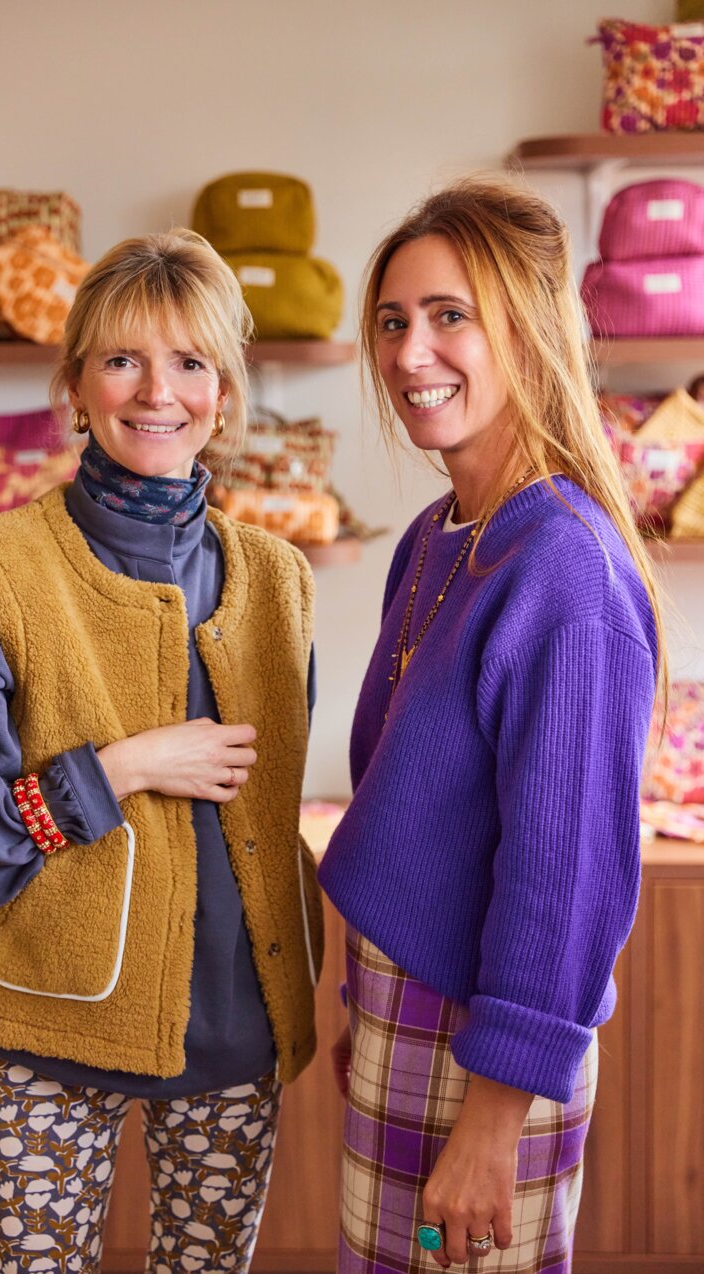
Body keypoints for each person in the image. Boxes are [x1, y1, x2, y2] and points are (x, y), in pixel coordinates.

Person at [0, 229, 323, 1274]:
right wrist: (119, 767)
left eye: (190, 360)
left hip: (237, 1032)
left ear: (225, 390)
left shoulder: (279, 579)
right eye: (122, 357)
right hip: (47, 1040)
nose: (156, 390)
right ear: (73, 383)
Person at [318, 177, 663, 1274]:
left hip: (483, 1051)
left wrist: (492, 1118)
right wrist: (363, 1004)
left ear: (525, 325)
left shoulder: (564, 563)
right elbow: (409, 810)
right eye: (391, 320)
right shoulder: (437, 536)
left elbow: (564, 878)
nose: (411, 351)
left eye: (448, 314)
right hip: (401, 1013)